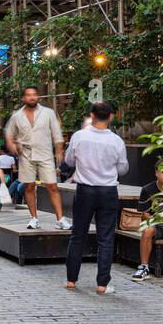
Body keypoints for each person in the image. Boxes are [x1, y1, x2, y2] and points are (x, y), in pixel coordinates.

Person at [63, 101, 130, 295]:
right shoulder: (116, 141)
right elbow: (123, 168)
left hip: (85, 190)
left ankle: (71, 280)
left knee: (78, 235)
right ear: (111, 116)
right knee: (106, 238)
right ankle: (102, 284)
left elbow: (68, 161)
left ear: (91, 115)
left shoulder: (79, 137)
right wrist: (109, 168)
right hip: (108, 191)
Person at [4, 86, 69, 230]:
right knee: (29, 186)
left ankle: (60, 219)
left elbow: (57, 133)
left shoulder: (48, 113)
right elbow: (9, 132)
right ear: (23, 98)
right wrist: (11, 144)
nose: (32, 97)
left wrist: (59, 151)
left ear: (38, 97)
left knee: (52, 186)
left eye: (34, 95)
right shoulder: (17, 116)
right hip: (26, 155)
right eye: (28, 95)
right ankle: (34, 218)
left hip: (45, 153)